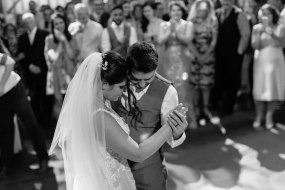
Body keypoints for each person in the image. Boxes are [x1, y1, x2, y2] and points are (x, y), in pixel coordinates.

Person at [49, 51, 187, 190]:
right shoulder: (99, 116)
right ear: (104, 84)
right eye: (121, 87)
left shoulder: (94, 105)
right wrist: (170, 124)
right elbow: (138, 153)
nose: (123, 91)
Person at [112, 41, 187, 190]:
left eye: (148, 79)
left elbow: (170, 136)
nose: (141, 84)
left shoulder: (167, 91)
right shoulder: (115, 81)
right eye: (136, 79)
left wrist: (177, 135)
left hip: (148, 172)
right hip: (115, 168)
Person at [0, 53, 49, 179]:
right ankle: (6, 165)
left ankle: (43, 160)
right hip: (1, 100)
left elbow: (10, 62)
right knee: (6, 131)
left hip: (15, 90)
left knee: (31, 125)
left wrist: (1, 84)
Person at [157, 2, 197, 129]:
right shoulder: (164, 25)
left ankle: (189, 119)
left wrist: (177, 32)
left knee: (184, 88)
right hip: (167, 58)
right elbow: (160, 40)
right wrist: (170, 30)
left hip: (183, 57)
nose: (176, 13)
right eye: (173, 10)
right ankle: (170, 122)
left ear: (182, 12)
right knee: (170, 89)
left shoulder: (188, 24)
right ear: (170, 12)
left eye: (178, 10)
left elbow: (188, 39)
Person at [251, 4, 285, 129]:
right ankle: (259, 116)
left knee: (273, 88)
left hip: (276, 61)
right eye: (263, 14)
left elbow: (282, 43)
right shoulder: (256, 28)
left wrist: (270, 32)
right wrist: (260, 32)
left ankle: (269, 116)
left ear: (273, 15)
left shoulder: (280, 27)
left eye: (267, 14)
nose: (265, 17)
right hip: (261, 60)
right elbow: (255, 46)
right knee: (260, 88)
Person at [44, 13, 78, 127]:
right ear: (52, 26)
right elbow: (52, 58)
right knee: (58, 102)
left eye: (61, 23)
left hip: (70, 74)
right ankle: (62, 129)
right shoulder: (49, 39)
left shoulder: (72, 38)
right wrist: (60, 42)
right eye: (56, 24)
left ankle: (75, 127)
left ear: (65, 23)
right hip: (56, 75)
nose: (59, 26)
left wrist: (65, 41)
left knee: (73, 102)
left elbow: (72, 55)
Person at [188, 0, 218, 123]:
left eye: (205, 10)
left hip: (208, 55)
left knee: (206, 84)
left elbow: (214, 41)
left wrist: (205, 55)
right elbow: (189, 41)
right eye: (200, 9)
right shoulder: (191, 22)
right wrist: (197, 55)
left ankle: (205, 109)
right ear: (196, 9)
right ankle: (196, 110)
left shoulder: (213, 21)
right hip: (194, 55)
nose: (202, 12)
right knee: (195, 84)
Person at [18, 13, 50, 128]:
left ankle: (48, 122)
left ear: (35, 21)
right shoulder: (22, 38)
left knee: (46, 98)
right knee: (34, 98)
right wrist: (30, 66)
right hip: (30, 73)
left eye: (30, 21)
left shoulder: (45, 34)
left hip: (44, 71)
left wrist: (39, 67)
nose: (28, 24)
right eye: (26, 22)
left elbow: (47, 53)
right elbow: (21, 55)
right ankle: (38, 122)